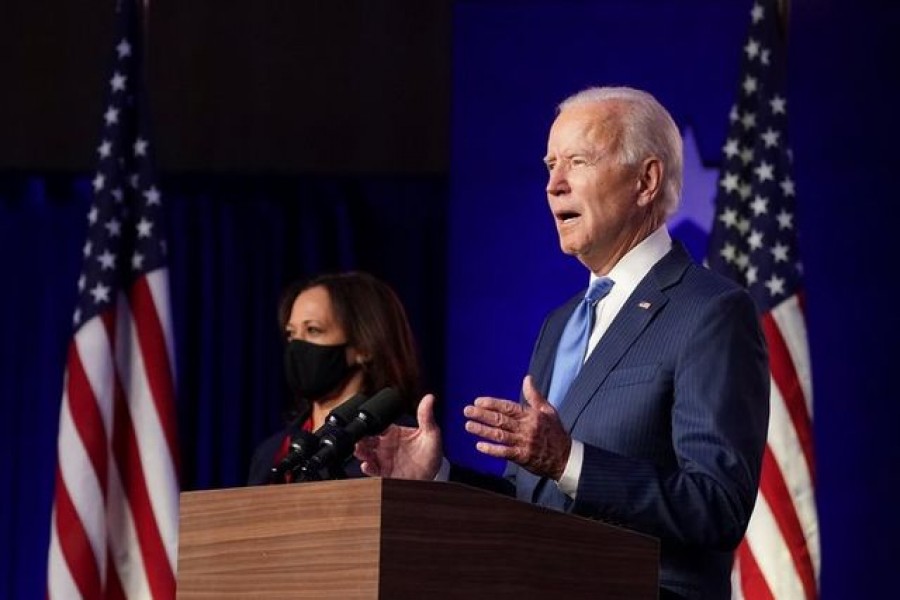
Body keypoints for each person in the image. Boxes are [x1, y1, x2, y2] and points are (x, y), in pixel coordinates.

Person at [354, 86, 770, 599]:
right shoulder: (561, 323)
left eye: (578, 161)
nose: (553, 185)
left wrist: (568, 460)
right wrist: (437, 476)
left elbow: (717, 505)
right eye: (550, 165)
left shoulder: (709, 312)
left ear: (647, 180)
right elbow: (530, 505)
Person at [247, 270, 421, 485]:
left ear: (363, 346)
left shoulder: (398, 445)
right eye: (291, 334)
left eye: (313, 330)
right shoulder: (270, 453)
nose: (297, 346)